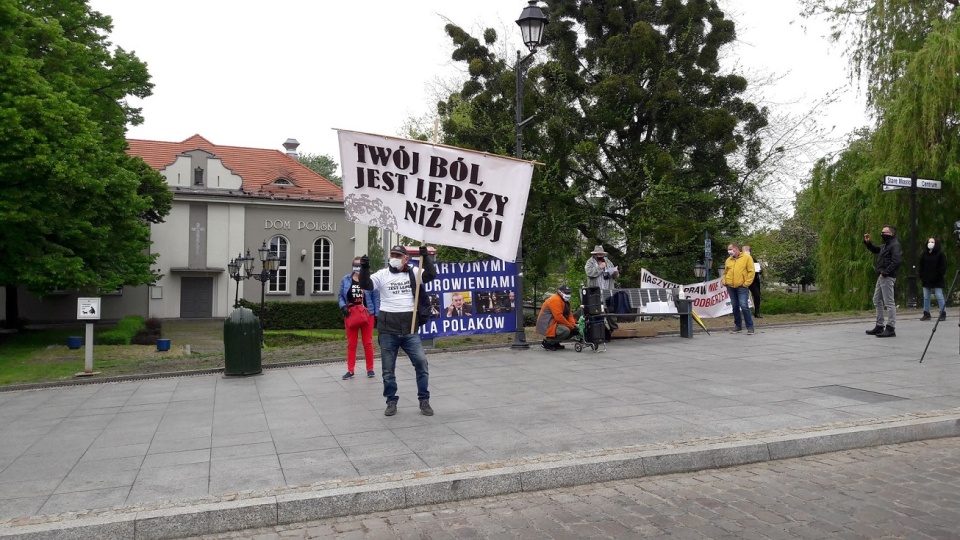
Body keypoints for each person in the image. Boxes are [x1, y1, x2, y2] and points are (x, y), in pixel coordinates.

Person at [359, 245, 437, 416]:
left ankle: (424, 400)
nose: (394, 257)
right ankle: (391, 401)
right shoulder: (382, 274)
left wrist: (427, 259)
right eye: (392, 254)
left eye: (398, 255)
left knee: (421, 364)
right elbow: (365, 284)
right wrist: (364, 268)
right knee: (388, 369)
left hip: (409, 329)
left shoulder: (414, 271)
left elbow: (431, 275)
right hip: (388, 329)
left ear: (405, 259)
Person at [338, 257, 380, 380]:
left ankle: (370, 369)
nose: (357, 267)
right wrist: (343, 307)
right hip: (351, 314)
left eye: (359, 265)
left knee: (368, 343)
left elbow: (375, 298)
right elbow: (340, 296)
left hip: (367, 314)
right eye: (355, 265)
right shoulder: (345, 279)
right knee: (351, 344)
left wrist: (376, 315)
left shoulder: (369, 280)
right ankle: (350, 370)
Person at [863, 225, 902, 337]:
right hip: (882, 276)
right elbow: (876, 250)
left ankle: (891, 328)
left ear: (891, 234)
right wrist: (868, 243)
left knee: (889, 302)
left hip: (887, 276)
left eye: (884, 232)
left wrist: (886, 272)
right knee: (877, 300)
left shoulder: (895, 245)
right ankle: (879, 326)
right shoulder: (886, 245)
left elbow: (896, 261)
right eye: (882, 232)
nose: (882, 234)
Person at [723, 243, 756, 335]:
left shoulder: (747, 257)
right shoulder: (728, 260)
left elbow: (751, 271)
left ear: (736, 249)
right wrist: (724, 281)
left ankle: (750, 327)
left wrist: (746, 283)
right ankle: (738, 326)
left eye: (730, 249)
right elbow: (725, 272)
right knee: (734, 306)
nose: (729, 251)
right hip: (730, 286)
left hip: (742, 286)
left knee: (744, 305)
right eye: (728, 249)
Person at [536, 285, 578, 350]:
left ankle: (555, 342)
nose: (568, 295)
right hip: (546, 324)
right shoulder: (555, 300)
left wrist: (573, 326)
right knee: (566, 330)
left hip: (553, 322)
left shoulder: (564, 300)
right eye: (566, 293)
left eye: (569, 293)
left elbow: (570, 315)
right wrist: (571, 327)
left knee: (575, 328)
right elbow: (559, 317)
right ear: (559, 292)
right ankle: (548, 342)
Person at [918, 236, 947, 322]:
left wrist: (937, 276)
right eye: (929, 242)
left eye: (932, 242)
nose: (930, 244)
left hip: (937, 279)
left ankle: (943, 313)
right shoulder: (924, 255)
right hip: (926, 279)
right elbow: (921, 267)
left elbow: (943, 267)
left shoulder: (940, 255)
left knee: (939, 296)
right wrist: (922, 276)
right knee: (926, 297)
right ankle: (926, 313)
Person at [743, 245, 762, 318]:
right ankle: (744, 313)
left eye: (748, 251)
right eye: (745, 251)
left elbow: (758, 269)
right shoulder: (740, 259)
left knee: (757, 295)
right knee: (743, 297)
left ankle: (757, 312)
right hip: (743, 281)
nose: (747, 252)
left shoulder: (753, 260)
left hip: (753, 281)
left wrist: (759, 271)